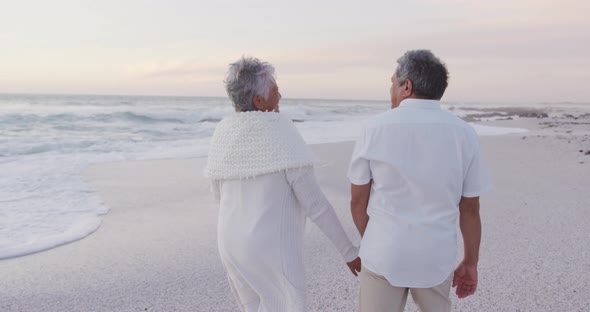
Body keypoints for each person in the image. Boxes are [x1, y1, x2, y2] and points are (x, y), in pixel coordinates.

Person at [205, 56, 361, 312]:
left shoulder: (223, 132)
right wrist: (348, 251)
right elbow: (315, 204)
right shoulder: (280, 131)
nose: (281, 96)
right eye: (276, 91)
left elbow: (218, 195)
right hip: (270, 247)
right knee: (288, 304)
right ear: (259, 101)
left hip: (230, 244)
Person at [348, 50, 492, 312]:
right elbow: (470, 209)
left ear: (407, 86)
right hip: (435, 256)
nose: (391, 89)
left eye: (393, 83)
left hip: (384, 252)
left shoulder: (374, 128)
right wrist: (470, 262)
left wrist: (373, 241)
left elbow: (358, 202)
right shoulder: (464, 133)